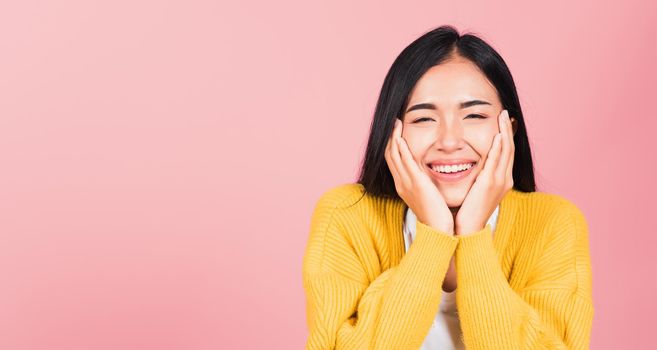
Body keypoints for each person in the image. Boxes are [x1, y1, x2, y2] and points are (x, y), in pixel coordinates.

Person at [301, 25, 594, 350]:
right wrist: (433, 234)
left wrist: (472, 236)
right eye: (424, 119)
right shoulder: (346, 215)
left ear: (509, 130)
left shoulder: (552, 223)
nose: (450, 141)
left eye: (475, 115)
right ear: (392, 133)